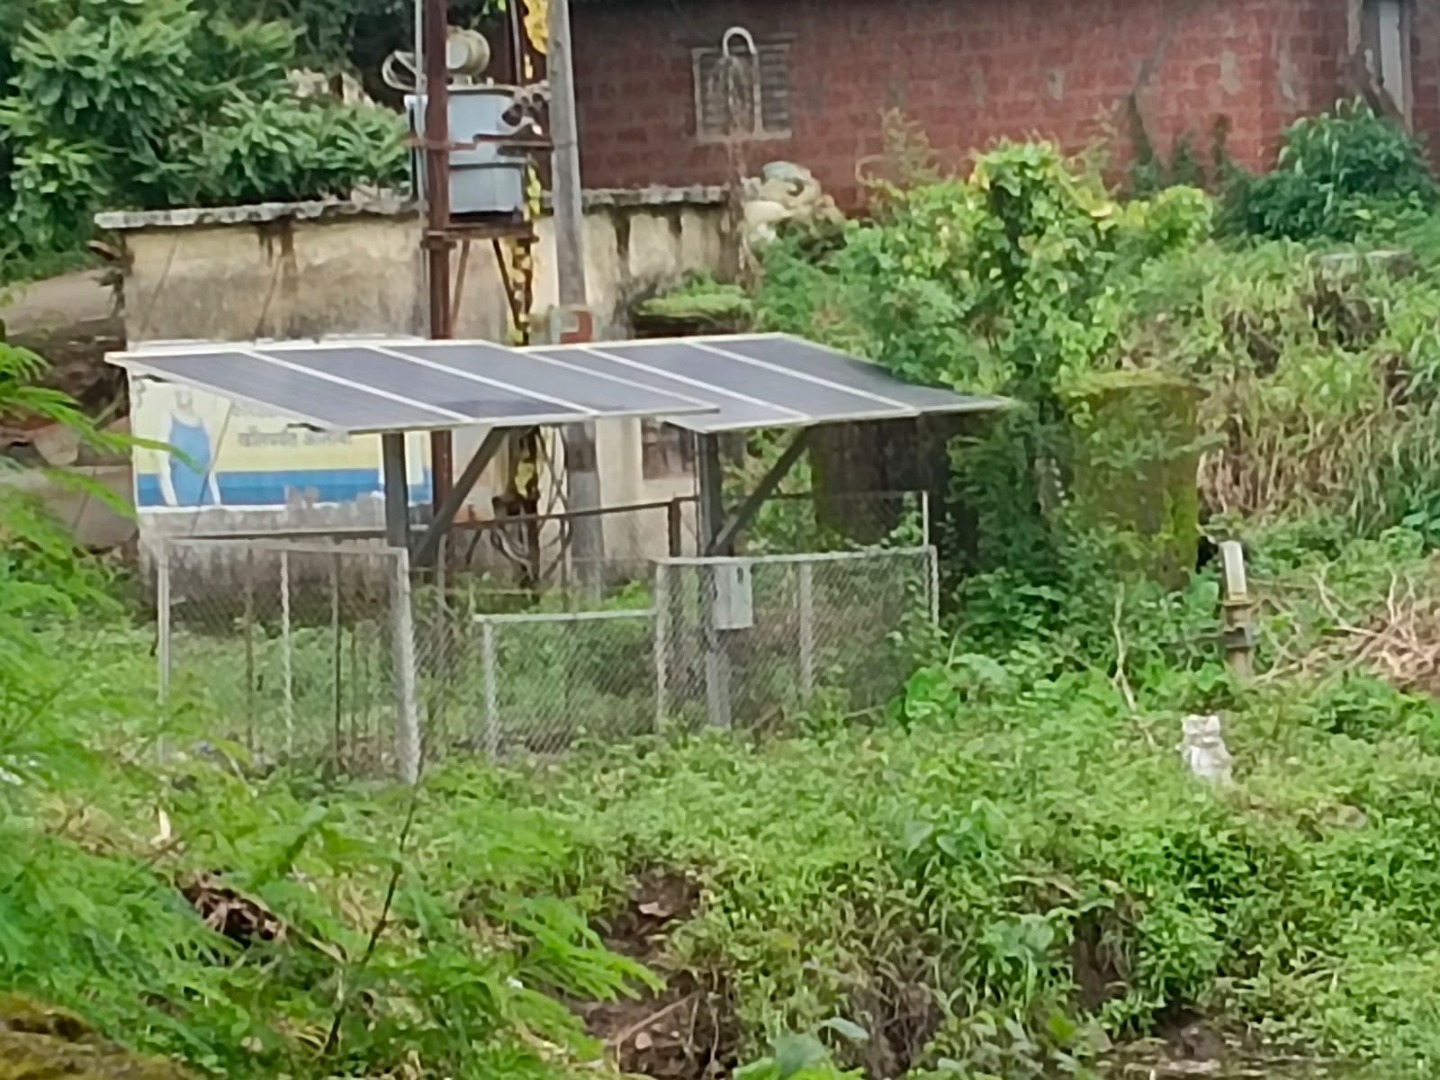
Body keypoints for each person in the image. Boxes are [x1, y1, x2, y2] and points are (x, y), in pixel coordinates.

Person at [160, 389, 222, 508]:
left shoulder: (206, 424)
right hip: (180, 502)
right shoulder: (168, 419)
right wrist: (173, 505)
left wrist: (217, 503)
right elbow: (163, 470)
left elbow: (210, 472)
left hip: (208, 503)